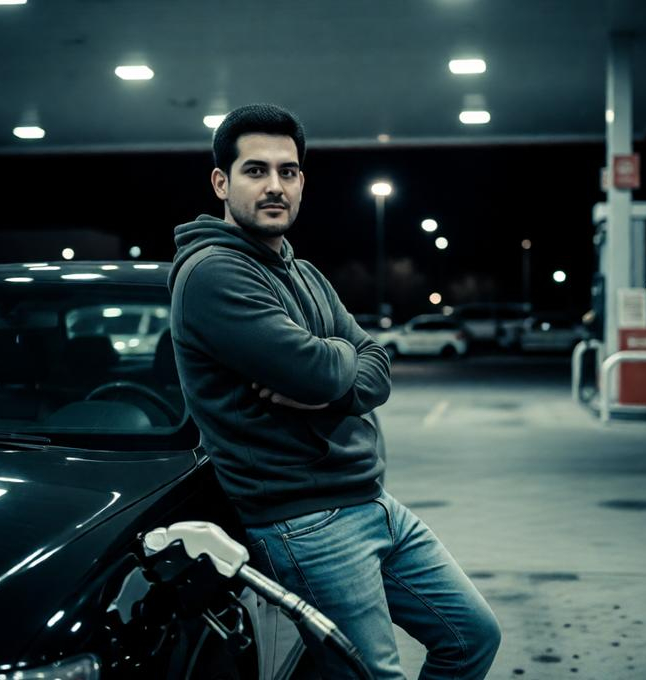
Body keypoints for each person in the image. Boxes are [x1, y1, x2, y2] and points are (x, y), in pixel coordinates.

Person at [167, 103, 500, 679]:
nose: (275, 186)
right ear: (221, 182)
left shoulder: (304, 272)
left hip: (370, 499)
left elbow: (376, 365)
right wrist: (336, 367)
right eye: (255, 171)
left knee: (472, 638)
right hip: (304, 519)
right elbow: (322, 372)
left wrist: (337, 370)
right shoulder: (214, 273)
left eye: (288, 171)